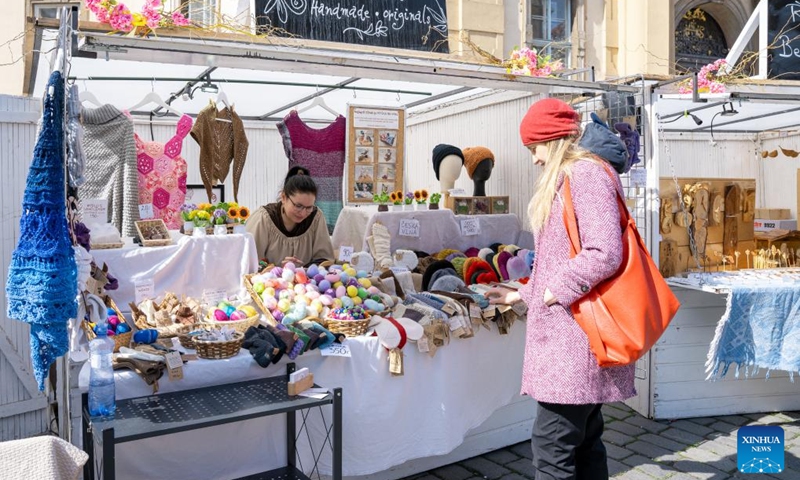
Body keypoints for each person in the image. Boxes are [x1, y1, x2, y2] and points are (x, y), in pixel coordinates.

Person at [485, 98, 635, 480]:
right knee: (584, 445)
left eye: (534, 148)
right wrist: (524, 293)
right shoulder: (577, 175)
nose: (534, 159)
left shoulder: (584, 174)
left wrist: (553, 291)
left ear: (550, 141)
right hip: (573, 338)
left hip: (575, 342)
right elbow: (561, 254)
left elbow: (603, 252)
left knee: (553, 451)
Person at [246, 172, 334, 267]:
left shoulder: (316, 217)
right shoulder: (263, 219)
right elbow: (250, 262)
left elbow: (324, 259)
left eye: (309, 207)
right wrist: (278, 270)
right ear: (283, 197)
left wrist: (302, 270)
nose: (303, 213)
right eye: (298, 206)